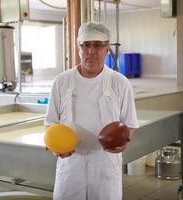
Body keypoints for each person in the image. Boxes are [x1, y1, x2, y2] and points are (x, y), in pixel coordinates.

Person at [44, 22, 139, 200]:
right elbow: (50, 124)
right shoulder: (61, 81)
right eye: (86, 45)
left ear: (106, 48)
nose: (91, 51)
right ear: (79, 48)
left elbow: (130, 124)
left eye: (97, 45)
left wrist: (123, 141)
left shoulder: (120, 82)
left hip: (105, 162)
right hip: (71, 162)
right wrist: (55, 147)